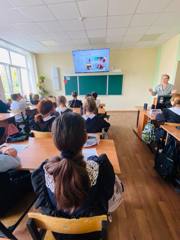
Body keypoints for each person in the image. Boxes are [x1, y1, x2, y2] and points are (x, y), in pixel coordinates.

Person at [31, 113, 115, 237]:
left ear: (54, 140)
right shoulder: (99, 167)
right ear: (85, 137)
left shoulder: (44, 172)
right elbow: (108, 194)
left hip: (60, 234)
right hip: (91, 234)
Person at [0, 148, 32, 216]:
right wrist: (9, 154)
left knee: (22, 172)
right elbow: (16, 162)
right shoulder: (2, 160)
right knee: (35, 176)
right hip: (4, 203)